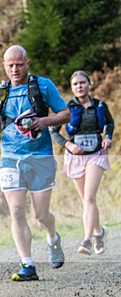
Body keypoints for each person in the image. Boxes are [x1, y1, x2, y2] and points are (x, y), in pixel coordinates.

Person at [0, 45, 70, 281]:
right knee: (16, 211)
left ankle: (52, 237)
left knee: (41, 215)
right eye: (10, 65)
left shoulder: (43, 86)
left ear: (27, 63)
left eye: (19, 64)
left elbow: (65, 114)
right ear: (4, 65)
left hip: (40, 156)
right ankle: (27, 264)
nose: (15, 69)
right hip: (10, 157)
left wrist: (44, 121)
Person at [50, 71, 114, 255]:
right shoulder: (66, 108)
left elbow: (109, 124)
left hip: (96, 154)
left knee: (89, 197)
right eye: (75, 84)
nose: (79, 86)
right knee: (86, 201)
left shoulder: (100, 105)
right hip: (75, 157)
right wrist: (67, 144)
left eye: (82, 82)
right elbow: (53, 131)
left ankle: (86, 241)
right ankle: (99, 233)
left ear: (89, 84)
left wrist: (108, 137)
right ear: (72, 87)